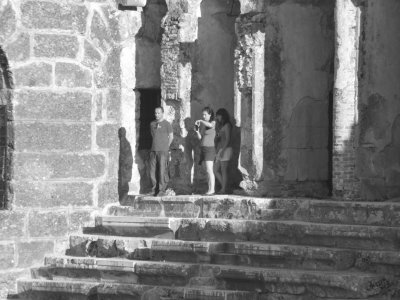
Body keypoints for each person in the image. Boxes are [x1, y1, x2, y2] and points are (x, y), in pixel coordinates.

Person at [149, 106, 173, 196]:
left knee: (162, 171)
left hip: (163, 151)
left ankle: (161, 190)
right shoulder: (152, 124)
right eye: (155, 113)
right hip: (153, 150)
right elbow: (153, 135)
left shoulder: (167, 124)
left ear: (162, 113)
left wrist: (166, 146)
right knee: (152, 171)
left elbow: (171, 137)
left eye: (158, 113)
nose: (157, 115)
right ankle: (154, 190)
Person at [194, 107, 216, 195]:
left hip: (210, 149)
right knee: (207, 170)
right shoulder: (204, 126)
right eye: (202, 114)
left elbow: (210, 125)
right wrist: (197, 131)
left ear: (210, 115)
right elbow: (201, 138)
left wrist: (201, 121)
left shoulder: (213, 122)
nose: (203, 116)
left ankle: (212, 189)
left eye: (205, 114)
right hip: (203, 148)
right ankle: (209, 188)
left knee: (210, 170)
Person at [214, 108, 232, 194]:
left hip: (226, 149)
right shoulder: (222, 126)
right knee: (215, 170)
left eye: (218, 115)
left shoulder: (227, 125)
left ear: (222, 115)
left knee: (223, 170)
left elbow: (228, 139)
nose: (217, 117)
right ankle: (225, 187)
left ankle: (224, 189)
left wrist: (223, 151)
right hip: (221, 149)